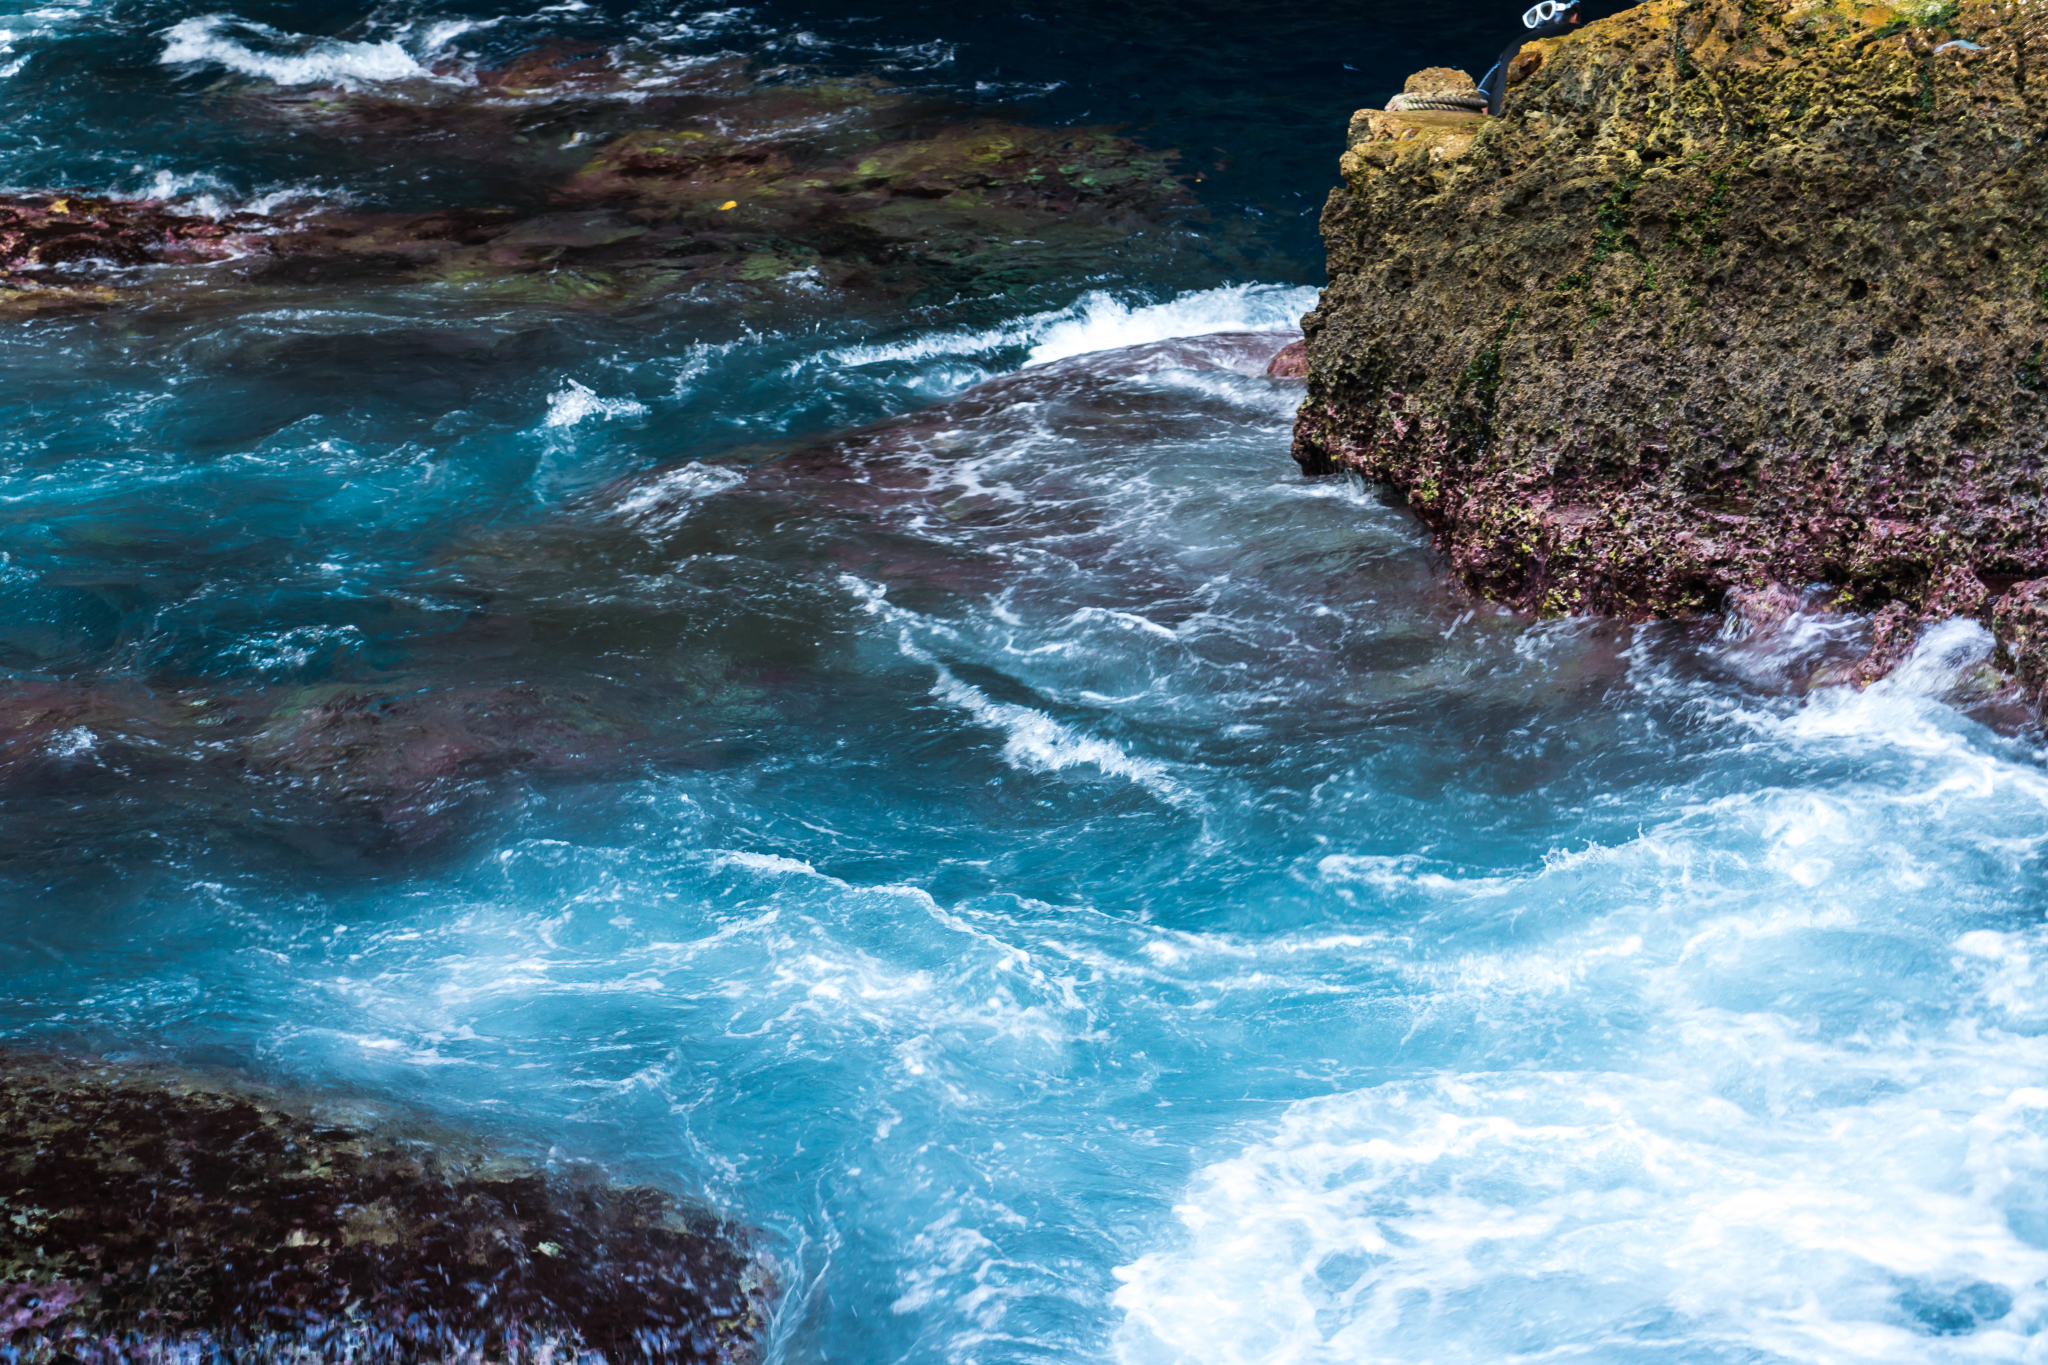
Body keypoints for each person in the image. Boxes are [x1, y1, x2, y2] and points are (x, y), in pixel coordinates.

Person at [1478, 0, 1581, 115]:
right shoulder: (1586, 35)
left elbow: (1481, 94)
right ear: (1575, 16)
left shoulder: (1514, 45)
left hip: (1497, 121)